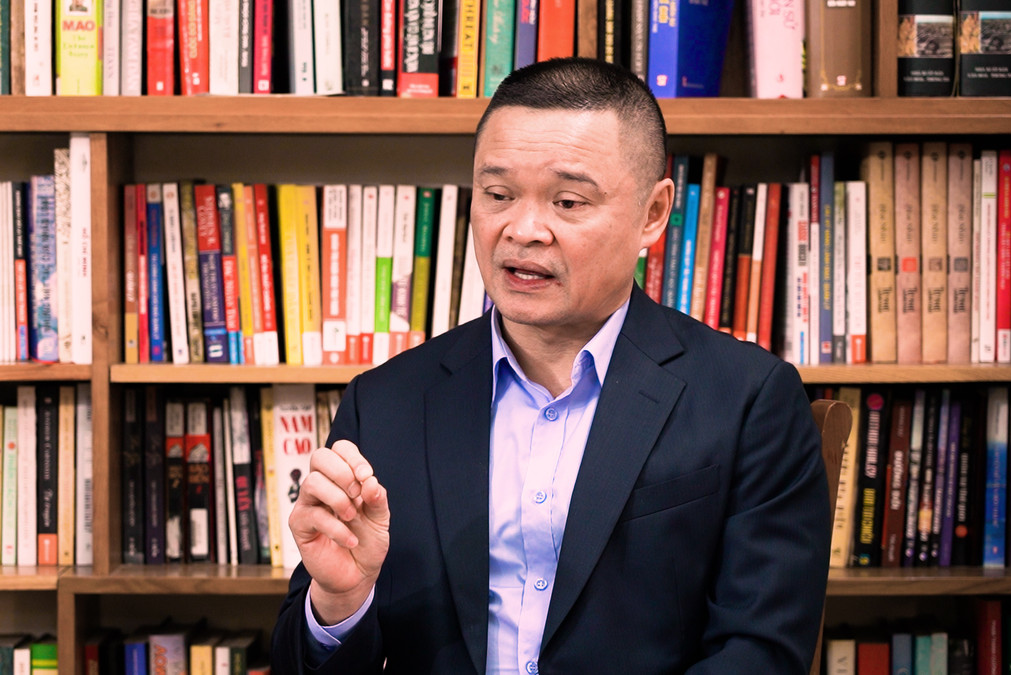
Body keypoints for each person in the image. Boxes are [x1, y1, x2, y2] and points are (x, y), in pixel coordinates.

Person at [270, 57, 831, 674]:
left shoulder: (748, 399)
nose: (524, 230)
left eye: (567, 201)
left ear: (653, 213)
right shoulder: (385, 402)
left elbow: (760, 653)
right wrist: (341, 601)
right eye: (498, 195)